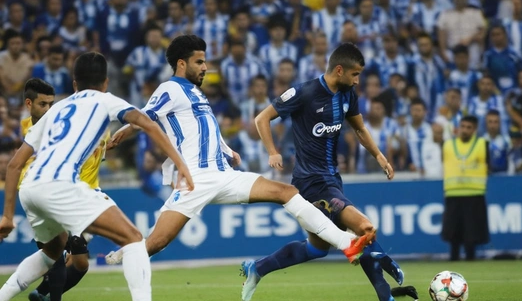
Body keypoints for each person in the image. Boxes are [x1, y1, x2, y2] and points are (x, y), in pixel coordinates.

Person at [105, 36, 371, 279]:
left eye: (205, 61)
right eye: (199, 62)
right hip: (195, 179)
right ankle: (130, 257)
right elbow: (143, 117)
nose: (205, 67)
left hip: (224, 175)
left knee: (286, 191)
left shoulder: (196, 92)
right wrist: (119, 134)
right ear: (181, 64)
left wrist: (226, 149)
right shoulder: (169, 89)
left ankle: (347, 244)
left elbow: (203, 126)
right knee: (157, 242)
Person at [0, 52, 192, 301]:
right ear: (105, 81)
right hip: (61, 185)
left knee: (52, 253)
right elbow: (149, 124)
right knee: (133, 238)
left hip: (30, 188)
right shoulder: (107, 100)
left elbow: (14, 164)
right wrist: (181, 165)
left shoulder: (56, 109)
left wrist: (6, 215)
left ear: (74, 83)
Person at [250, 43, 405, 301]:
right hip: (311, 184)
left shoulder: (348, 94)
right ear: (340, 70)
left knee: (317, 249)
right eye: (355, 75)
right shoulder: (304, 92)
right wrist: (272, 151)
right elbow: (262, 118)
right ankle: (386, 298)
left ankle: (257, 268)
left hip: (333, 181)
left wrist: (379, 156)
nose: (358, 81)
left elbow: (359, 129)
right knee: (365, 228)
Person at [18, 78, 109, 301]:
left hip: (74, 194)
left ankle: (41, 294)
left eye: (51, 104)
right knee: (57, 253)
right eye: (43, 104)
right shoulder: (36, 127)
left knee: (80, 263)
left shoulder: (86, 124)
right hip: (46, 193)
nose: (48, 109)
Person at [441, 115, 490, 261]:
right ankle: (453, 260)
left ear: (474, 130)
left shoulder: (482, 144)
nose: (464, 130)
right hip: (453, 193)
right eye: (462, 126)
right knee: (453, 234)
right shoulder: (448, 145)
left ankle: (471, 261)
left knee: (472, 234)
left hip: (474, 193)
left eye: (469, 127)